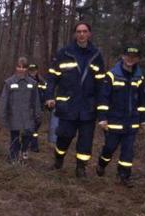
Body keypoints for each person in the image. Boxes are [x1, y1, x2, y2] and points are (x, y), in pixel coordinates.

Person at [45, 22, 106, 178]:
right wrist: (49, 97)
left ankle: (81, 168)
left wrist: (102, 112)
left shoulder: (96, 55)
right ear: (74, 34)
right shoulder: (63, 53)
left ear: (89, 34)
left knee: (85, 142)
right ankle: (58, 160)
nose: (81, 34)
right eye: (78, 31)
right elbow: (52, 77)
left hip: (88, 108)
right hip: (67, 106)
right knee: (64, 137)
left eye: (85, 31)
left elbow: (101, 85)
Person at [95, 46, 145, 187]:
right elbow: (103, 99)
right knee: (109, 148)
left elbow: (142, 101)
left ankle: (124, 175)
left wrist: (143, 120)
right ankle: (101, 164)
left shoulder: (139, 77)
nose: (130, 59)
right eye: (128, 56)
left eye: (134, 56)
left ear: (138, 59)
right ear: (123, 57)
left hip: (132, 122)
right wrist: (102, 118)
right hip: (114, 121)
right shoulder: (112, 75)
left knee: (128, 151)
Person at [0, 57, 42, 163]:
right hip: (14, 114)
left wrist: (38, 114)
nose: (21, 69)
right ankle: (13, 157)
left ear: (27, 69)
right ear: (16, 67)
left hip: (28, 115)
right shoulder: (9, 82)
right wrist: (2, 115)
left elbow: (36, 100)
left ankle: (24, 149)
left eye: (23, 67)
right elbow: (4, 100)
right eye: (19, 67)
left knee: (28, 134)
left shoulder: (32, 83)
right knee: (14, 136)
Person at [27, 63, 47, 152]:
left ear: (37, 70)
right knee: (32, 127)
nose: (32, 72)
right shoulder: (25, 80)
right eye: (31, 70)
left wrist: (46, 103)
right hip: (29, 107)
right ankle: (33, 146)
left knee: (36, 125)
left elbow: (46, 92)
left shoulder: (41, 81)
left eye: (34, 70)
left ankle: (30, 144)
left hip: (40, 107)